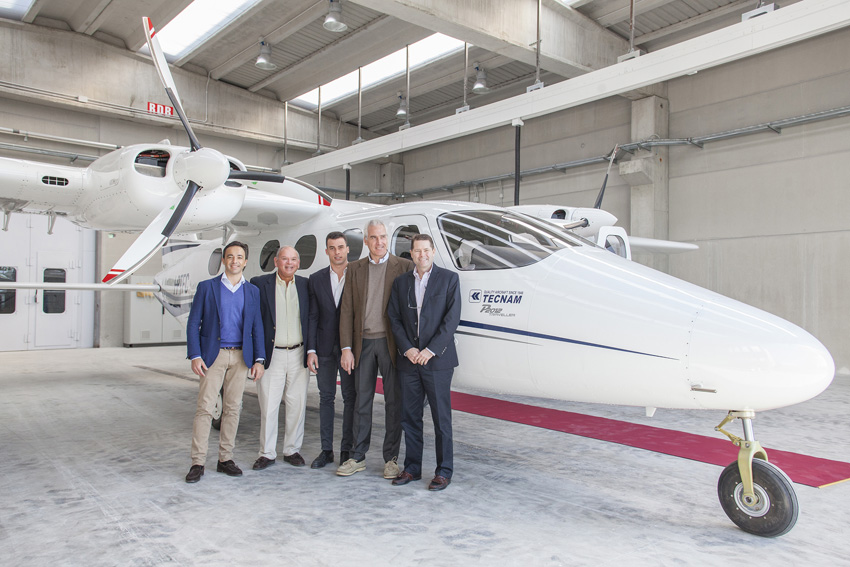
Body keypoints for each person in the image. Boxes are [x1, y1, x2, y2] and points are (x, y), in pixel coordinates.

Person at [337, 220, 414, 478]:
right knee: (362, 401)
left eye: (383, 237)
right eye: (373, 237)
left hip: (392, 344)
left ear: (387, 239)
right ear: (366, 241)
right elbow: (346, 310)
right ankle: (357, 456)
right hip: (363, 344)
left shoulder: (403, 267)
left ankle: (391, 459)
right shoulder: (355, 268)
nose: (379, 242)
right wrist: (346, 348)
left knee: (394, 403)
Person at [185, 241, 265, 483]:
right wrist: (195, 355)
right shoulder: (207, 288)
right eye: (230, 256)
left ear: (245, 261)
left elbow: (257, 326)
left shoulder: (252, 291)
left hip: (241, 356)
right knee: (205, 409)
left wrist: (259, 358)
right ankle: (198, 462)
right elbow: (193, 323)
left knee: (233, 409)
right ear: (224, 260)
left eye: (239, 257)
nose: (234, 261)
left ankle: (225, 459)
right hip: (213, 356)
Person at [388, 234, 461, 491]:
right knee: (410, 418)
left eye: (426, 250)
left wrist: (430, 350)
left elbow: (451, 320)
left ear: (433, 251)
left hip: (437, 361)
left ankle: (444, 471)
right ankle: (412, 468)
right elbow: (394, 318)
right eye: (417, 251)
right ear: (412, 253)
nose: (422, 255)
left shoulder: (449, 279)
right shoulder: (400, 283)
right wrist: (407, 349)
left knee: (441, 419)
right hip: (409, 361)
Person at [250, 246, 310, 470]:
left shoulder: (305, 285)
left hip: (298, 353)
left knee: (297, 404)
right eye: (285, 259)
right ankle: (266, 453)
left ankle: (292, 450)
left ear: (298, 262)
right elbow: (254, 322)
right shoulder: (260, 284)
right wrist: (257, 356)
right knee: (269, 404)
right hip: (271, 354)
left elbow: (311, 319)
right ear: (276, 261)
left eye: (293, 259)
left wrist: (312, 351)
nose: (289, 263)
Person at [306, 232, 356, 469]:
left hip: (350, 350)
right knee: (326, 398)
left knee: (350, 399)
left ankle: (347, 450)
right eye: (332, 248)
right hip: (324, 349)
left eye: (340, 247)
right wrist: (311, 349)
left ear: (348, 250)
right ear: (326, 251)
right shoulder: (315, 279)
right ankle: (326, 450)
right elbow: (312, 316)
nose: (337, 252)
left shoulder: (358, 275)